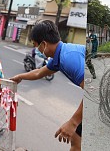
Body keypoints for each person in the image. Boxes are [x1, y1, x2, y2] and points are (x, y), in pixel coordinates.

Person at [10, 20, 85, 151]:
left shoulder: (68, 59)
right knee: (77, 140)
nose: (36, 49)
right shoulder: (59, 55)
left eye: (35, 45)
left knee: (77, 137)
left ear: (44, 44)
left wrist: (72, 122)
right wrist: (19, 77)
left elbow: (94, 93)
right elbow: (39, 72)